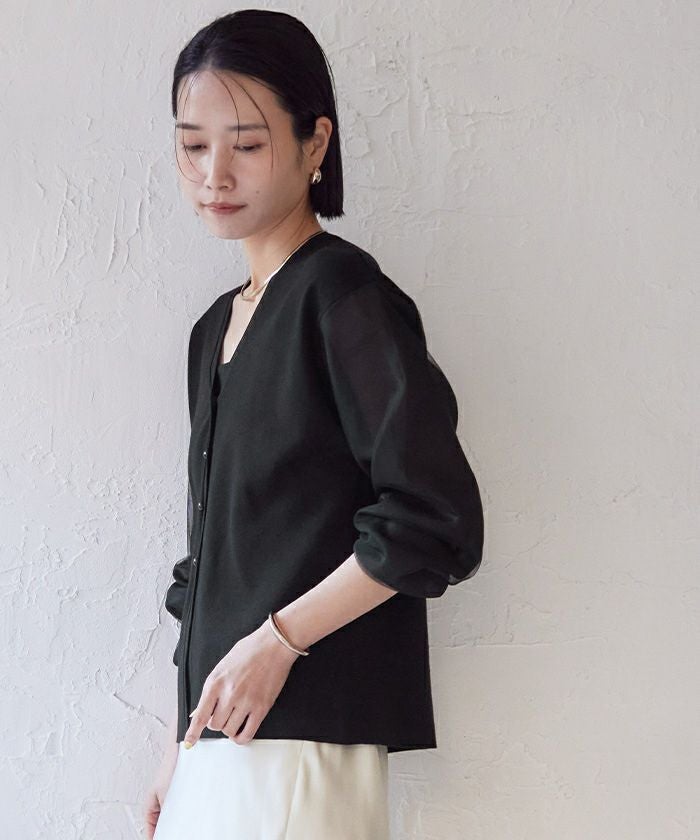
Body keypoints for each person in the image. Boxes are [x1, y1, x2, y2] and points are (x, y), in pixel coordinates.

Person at [143, 9, 484, 839]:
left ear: (315, 142)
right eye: (193, 145)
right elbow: (216, 559)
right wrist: (180, 745)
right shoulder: (213, 330)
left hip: (301, 739)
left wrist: (279, 643)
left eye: (247, 144)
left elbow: (433, 517)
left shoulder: (342, 296)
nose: (214, 173)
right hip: (223, 738)